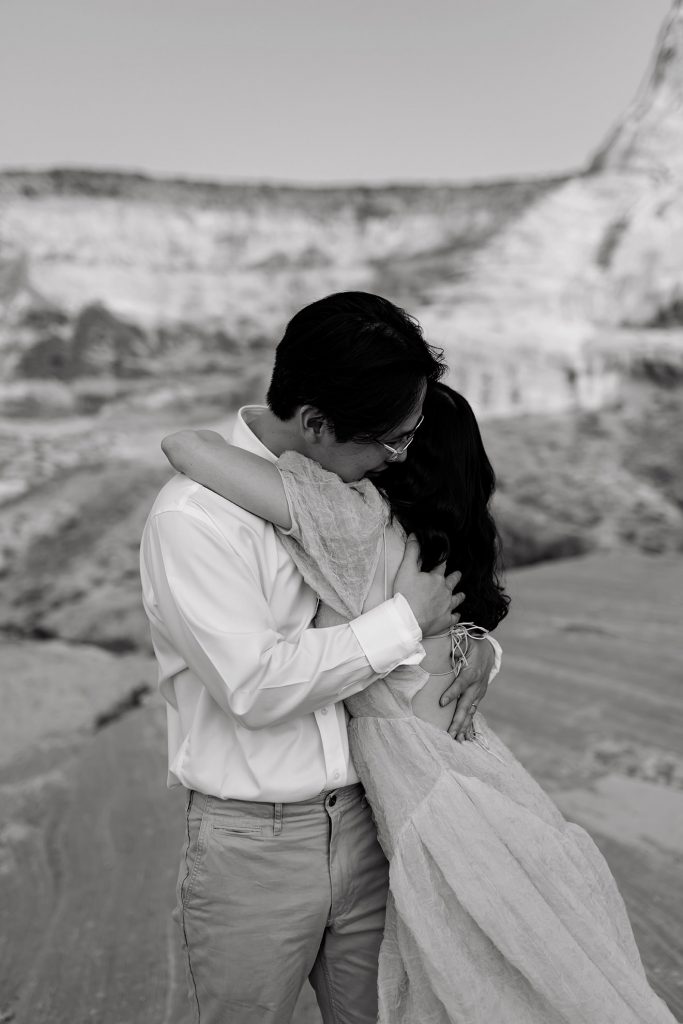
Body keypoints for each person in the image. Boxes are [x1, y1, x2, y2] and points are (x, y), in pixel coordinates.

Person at [163, 381, 679, 1024]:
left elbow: (186, 446)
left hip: (423, 803)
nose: (386, 450)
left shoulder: (350, 524)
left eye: (400, 438)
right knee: (521, 977)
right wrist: (476, 645)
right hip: (481, 784)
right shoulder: (443, 544)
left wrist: (475, 647)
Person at [139, 292, 497, 1024]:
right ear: (315, 423)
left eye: (410, 435)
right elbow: (256, 685)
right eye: (388, 441)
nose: (399, 457)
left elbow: (437, 596)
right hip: (255, 845)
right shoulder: (196, 519)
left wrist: (475, 647)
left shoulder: (356, 494)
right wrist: (404, 622)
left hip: (375, 816)